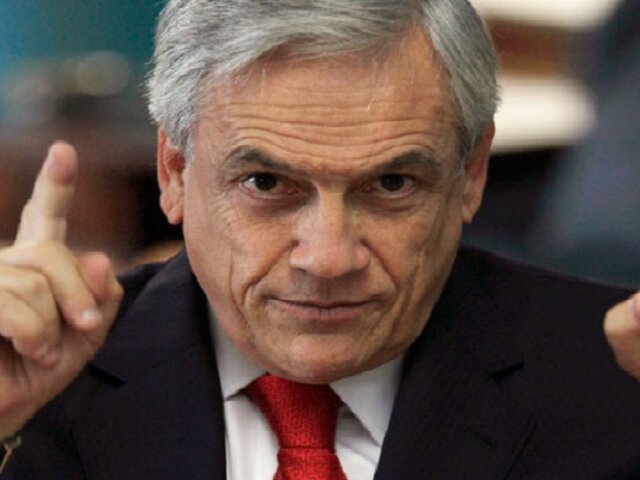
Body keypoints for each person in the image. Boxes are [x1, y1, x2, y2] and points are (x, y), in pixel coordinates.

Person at [2, 1, 640, 478]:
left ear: (470, 174)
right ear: (175, 172)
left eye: (391, 184)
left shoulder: (618, 382)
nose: (328, 259)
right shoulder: (38, 389)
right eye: (265, 183)